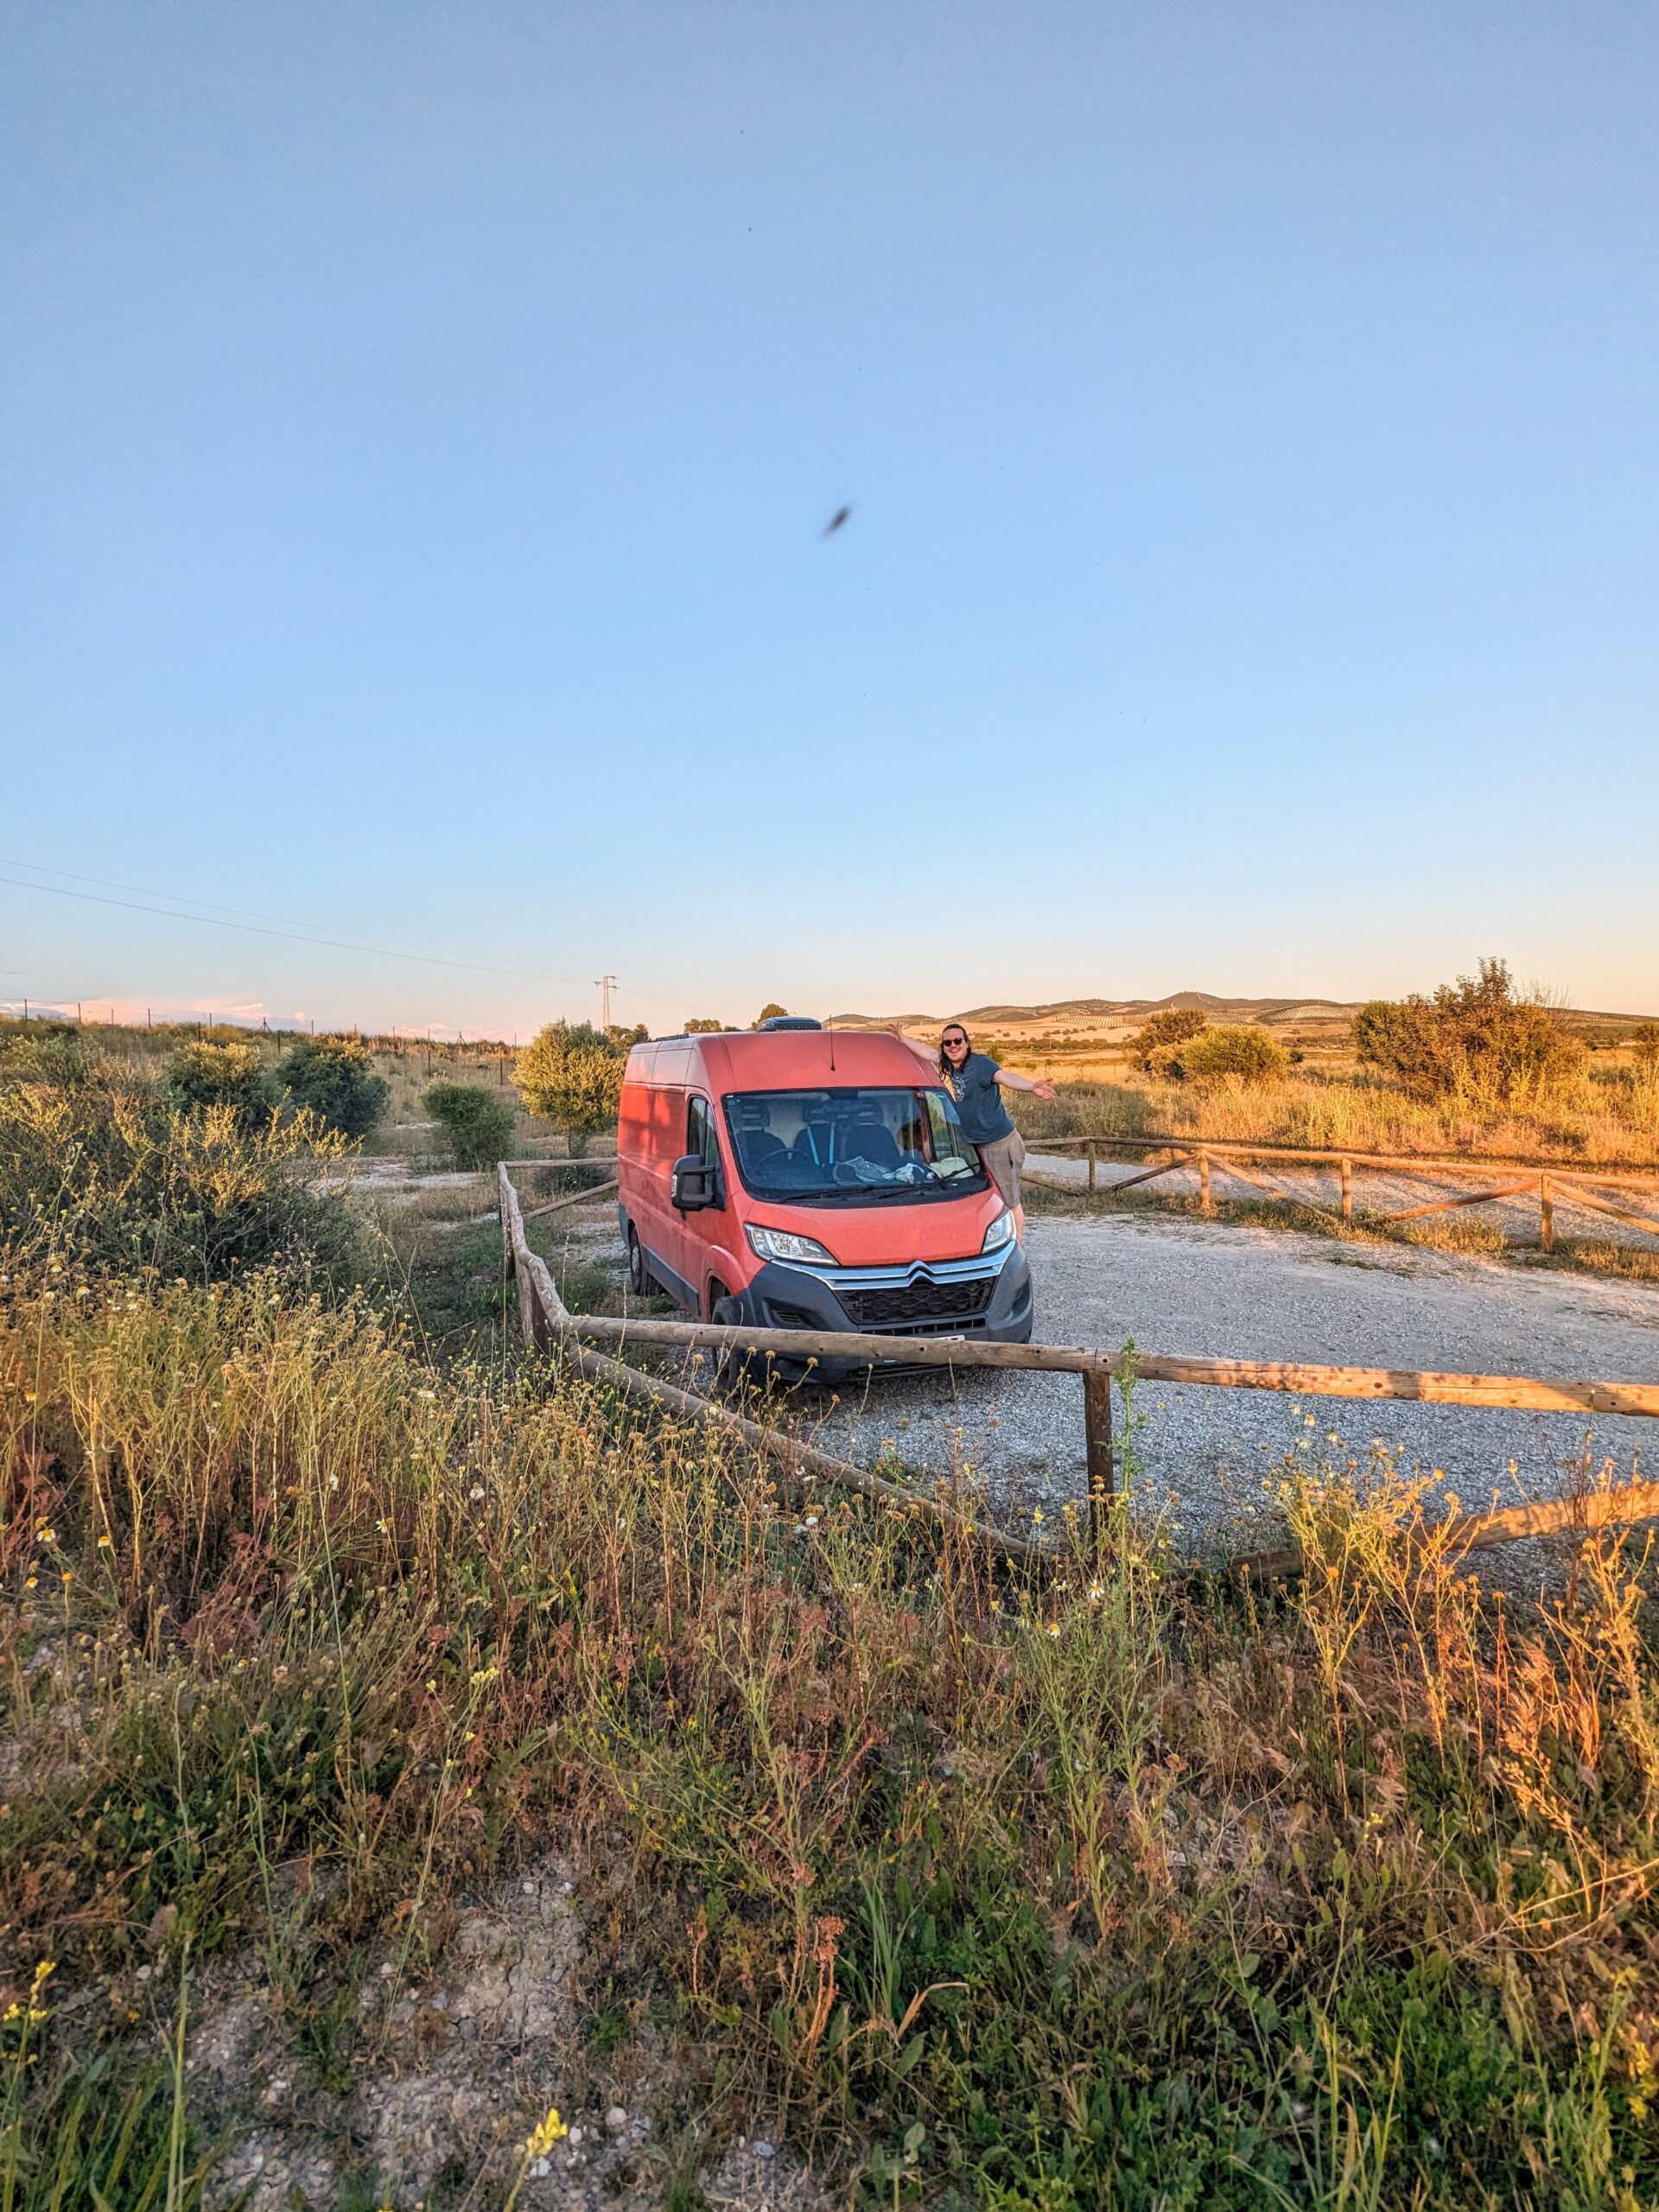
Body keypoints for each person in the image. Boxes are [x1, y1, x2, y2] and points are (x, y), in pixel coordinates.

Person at [938, 1024, 1056, 1239]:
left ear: (967, 1043)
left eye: (958, 1041)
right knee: (991, 1195)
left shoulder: (980, 1064)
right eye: (948, 1042)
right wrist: (902, 1038)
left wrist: (1031, 1087)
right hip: (979, 1143)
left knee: (1010, 1200)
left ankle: (1015, 1246)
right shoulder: (952, 1065)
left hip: (1000, 1143)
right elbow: (927, 1053)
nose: (953, 1045)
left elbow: (1007, 1077)